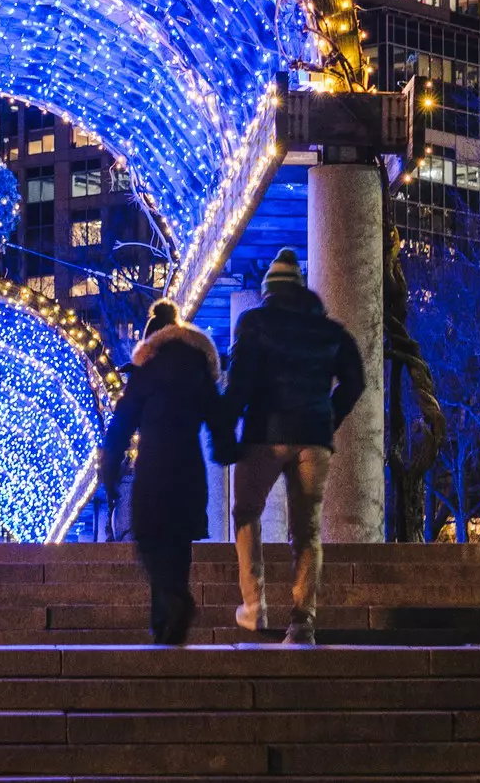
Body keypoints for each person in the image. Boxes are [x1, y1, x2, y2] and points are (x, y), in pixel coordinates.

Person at [222, 247, 366, 645]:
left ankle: (254, 605)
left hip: (265, 433)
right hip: (314, 438)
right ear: (301, 291)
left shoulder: (254, 323)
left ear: (268, 291)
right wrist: (328, 416)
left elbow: (239, 384)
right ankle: (302, 621)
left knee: (246, 512)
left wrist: (226, 426)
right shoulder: (331, 331)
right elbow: (356, 382)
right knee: (306, 532)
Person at [99, 298, 230, 645]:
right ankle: (167, 623)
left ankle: (172, 605)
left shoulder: (147, 372)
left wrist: (109, 469)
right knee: (178, 543)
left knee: (150, 540)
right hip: (189, 467)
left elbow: (122, 423)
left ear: (151, 341)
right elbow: (217, 417)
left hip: (154, 467)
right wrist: (226, 448)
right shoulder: (199, 369)